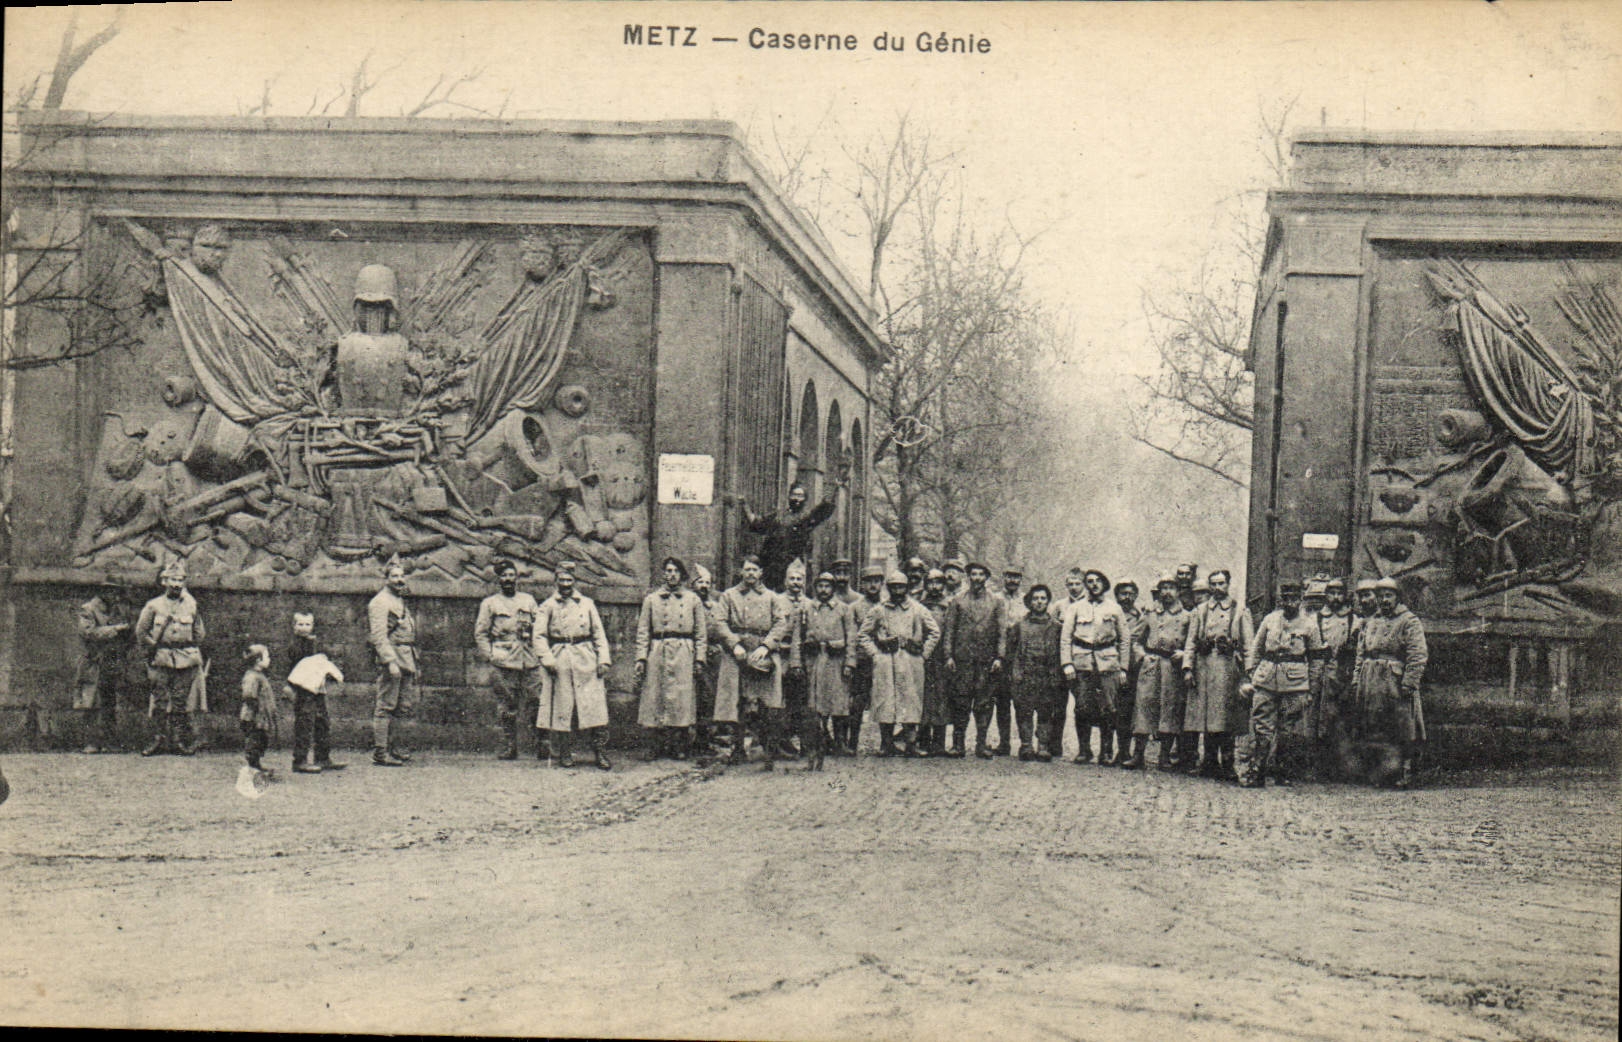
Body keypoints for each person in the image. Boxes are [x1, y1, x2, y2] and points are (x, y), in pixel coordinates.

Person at [1235, 579, 1324, 788]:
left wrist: (1310, 688)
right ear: (1281, 600)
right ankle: (1258, 770)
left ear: (1301, 600)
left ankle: (1283, 771)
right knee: (1262, 726)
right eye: (1286, 598)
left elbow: (1316, 659)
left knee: (1288, 729)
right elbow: (1256, 649)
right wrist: (1251, 674)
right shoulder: (1270, 620)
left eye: (1294, 598)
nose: (1290, 602)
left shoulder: (1310, 624)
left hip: (1295, 684)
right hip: (1266, 681)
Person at [712, 555, 794, 770]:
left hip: (762, 655)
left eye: (754, 570)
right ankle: (737, 748)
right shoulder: (729, 596)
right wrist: (734, 644)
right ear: (741, 572)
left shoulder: (772, 597)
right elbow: (719, 622)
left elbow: (780, 623)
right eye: (747, 569)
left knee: (765, 705)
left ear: (760, 573)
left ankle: (768, 749)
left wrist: (766, 646)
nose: (750, 573)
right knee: (736, 703)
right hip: (736, 655)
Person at [1350, 577, 1429, 788]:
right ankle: (1382, 771)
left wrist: (1409, 683)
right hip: (1371, 679)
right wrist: (1357, 679)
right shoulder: (1371, 621)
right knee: (1375, 725)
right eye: (1381, 596)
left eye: (1389, 595)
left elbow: (1418, 655)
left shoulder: (1409, 621)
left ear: (1397, 597)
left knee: (1402, 726)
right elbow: (1361, 653)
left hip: (1395, 680)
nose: (1384, 600)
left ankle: (1404, 772)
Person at [534, 562, 613, 769]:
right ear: (556, 581)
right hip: (561, 660)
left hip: (586, 657)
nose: (566, 584)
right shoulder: (547, 606)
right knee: (564, 707)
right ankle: (565, 753)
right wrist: (548, 659)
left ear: (575, 581)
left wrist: (603, 659)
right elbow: (539, 636)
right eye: (562, 580)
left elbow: (599, 634)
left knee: (595, 708)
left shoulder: (587, 604)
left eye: (570, 580)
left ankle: (600, 753)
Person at [859, 570, 941, 757]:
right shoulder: (879, 610)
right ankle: (886, 743)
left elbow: (934, 632)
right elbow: (863, 635)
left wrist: (923, 655)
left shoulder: (918, 609)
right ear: (888, 588)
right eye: (894, 586)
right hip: (886, 661)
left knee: (911, 700)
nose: (897, 590)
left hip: (911, 662)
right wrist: (875, 655)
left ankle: (911, 743)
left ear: (906, 588)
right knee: (885, 701)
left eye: (901, 586)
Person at [1182, 569, 1254, 778]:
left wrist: (1248, 673)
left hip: (1227, 668)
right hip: (1204, 668)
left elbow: (1248, 645)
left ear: (1228, 584)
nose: (1217, 588)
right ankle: (1209, 761)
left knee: (1226, 718)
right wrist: (1188, 668)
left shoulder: (1239, 611)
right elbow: (1190, 642)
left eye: (1221, 583)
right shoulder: (1200, 610)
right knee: (1206, 717)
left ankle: (1228, 763)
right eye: (1213, 584)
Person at [635, 557, 707, 761]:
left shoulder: (693, 599)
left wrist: (699, 659)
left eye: (675, 571)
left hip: (684, 651)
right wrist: (641, 657)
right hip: (658, 649)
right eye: (668, 570)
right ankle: (654, 746)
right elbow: (643, 631)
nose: (672, 574)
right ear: (663, 574)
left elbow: (701, 633)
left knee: (681, 699)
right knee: (655, 696)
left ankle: (679, 745)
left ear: (681, 574)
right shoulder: (652, 599)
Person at [135, 559, 207, 757]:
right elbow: (141, 632)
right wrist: (152, 649)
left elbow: (199, 632)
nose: (176, 584)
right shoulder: (154, 605)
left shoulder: (192, 605)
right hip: (161, 658)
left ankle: (178, 741)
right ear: (164, 581)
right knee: (159, 701)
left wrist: (187, 646)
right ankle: (157, 740)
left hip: (185, 659)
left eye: (180, 580)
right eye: (172, 580)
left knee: (180, 701)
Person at [1058, 568, 1128, 766]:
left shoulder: (1114, 608)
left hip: (1107, 663)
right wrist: (1067, 664)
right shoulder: (1076, 608)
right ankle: (1084, 750)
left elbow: (1124, 640)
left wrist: (1123, 668)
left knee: (1108, 707)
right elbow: (1066, 638)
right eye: (1089, 581)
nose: (1094, 584)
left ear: (1104, 584)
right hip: (1082, 664)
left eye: (1098, 581)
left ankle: (1106, 751)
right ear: (1085, 585)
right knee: (1082, 707)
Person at [475, 560, 543, 761]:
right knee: (507, 705)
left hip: (529, 659)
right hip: (504, 661)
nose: (508, 579)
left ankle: (542, 745)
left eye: (511, 575)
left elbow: (539, 628)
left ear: (516, 578)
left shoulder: (528, 600)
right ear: (498, 579)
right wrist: (491, 655)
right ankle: (509, 746)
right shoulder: (490, 603)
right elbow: (480, 634)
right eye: (504, 576)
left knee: (537, 702)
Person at [733, 477, 845, 591]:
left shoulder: (806, 517)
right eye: (794, 494)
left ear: (805, 499)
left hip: (790, 565)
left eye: (801, 496)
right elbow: (757, 524)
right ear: (789, 496)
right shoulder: (778, 515)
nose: (797, 498)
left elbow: (823, 509)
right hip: (769, 564)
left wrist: (834, 489)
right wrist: (744, 505)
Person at [945, 562, 1008, 759]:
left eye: (981, 574)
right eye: (974, 574)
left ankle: (981, 744)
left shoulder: (996, 602)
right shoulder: (957, 601)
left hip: (986, 661)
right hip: (963, 659)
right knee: (961, 701)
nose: (977, 578)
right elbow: (949, 631)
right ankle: (958, 744)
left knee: (984, 703)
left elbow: (1001, 632)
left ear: (986, 578)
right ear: (968, 577)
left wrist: (999, 657)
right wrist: (948, 655)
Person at [1126, 576, 1189, 770]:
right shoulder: (1150, 614)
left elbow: (1192, 643)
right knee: (1144, 706)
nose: (1166, 592)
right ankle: (1138, 754)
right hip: (1151, 664)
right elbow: (1135, 639)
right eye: (1163, 588)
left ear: (1179, 591)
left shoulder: (1187, 616)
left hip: (1172, 667)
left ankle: (1164, 756)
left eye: (1171, 588)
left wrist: (1184, 654)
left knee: (1170, 709)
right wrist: (1142, 655)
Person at [799, 571, 856, 771]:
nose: (824, 590)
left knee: (838, 703)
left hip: (836, 661)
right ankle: (814, 746)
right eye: (820, 586)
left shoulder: (844, 610)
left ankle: (839, 742)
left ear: (833, 588)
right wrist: (798, 663)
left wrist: (850, 663)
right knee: (815, 706)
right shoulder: (807, 608)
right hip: (814, 661)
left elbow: (851, 638)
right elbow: (799, 637)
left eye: (827, 586)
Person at [367, 559, 419, 767]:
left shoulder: (399, 600)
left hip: (407, 658)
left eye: (401, 576)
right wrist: (390, 662)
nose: (399, 580)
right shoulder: (380, 602)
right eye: (394, 576)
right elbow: (379, 636)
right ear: (386, 579)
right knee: (386, 705)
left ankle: (395, 748)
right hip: (393, 659)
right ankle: (381, 752)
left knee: (403, 706)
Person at [1007, 584, 1063, 762]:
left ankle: (1043, 746)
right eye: (1035, 599)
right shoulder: (1020, 626)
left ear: (1048, 601)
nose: (1039, 602)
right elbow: (1011, 651)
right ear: (1029, 602)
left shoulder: (1056, 627)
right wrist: (1015, 672)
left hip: (1047, 674)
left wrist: (1056, 675)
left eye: (1043, 599)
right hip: (1026, 673)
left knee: (1046, 710)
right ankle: (1026, 745)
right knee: (1024, 710)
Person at [286, 611, 346, 773]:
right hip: (303, 689)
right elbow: (298, 666)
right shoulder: (295, 645)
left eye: (308, 624)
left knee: (322, 721)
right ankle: (300, 760)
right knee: (304, 723)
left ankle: (323, 757)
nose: (304, 628)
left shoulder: (315, 643)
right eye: (300, 624)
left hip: (317, 688)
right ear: (294, 626)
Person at [1311, 577, 1358, 777]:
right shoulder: (1317, 618)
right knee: (1317, 719)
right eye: (1332, 593)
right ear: (1326, 595)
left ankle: (1340, 768)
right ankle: (1317, 765)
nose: (1336, 597)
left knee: (1340, 720)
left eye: (1339, 593)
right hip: (1321, 674)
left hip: (1341, 674)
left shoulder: (1353, 620)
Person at [75, 587, 131, 754]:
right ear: (103, 592)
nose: (115, 596)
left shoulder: (117, 609)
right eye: (112, 592)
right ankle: (90, 741)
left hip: (111, 661)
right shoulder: (88, 609)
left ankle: (109, 741)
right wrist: (116, 630)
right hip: (93, 661)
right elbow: (88, 632)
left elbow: (128, 631)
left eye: (117, 593)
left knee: (109, 701)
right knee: (91, 702)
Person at [841, 565, 885, 755]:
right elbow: (851, 636)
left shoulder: (887, 605)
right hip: (862, 661)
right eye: (869, 581)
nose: (873, 585)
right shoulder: (855, 607)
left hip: (884, 660)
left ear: (882, 584)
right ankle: (852, 742)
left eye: (876, 581)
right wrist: (851, 661)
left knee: (884, 701)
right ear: (863, 584)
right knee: (857, 703)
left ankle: (886, 743)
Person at [778, 559, 814, 758]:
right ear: (785, 582)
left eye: (799, 579)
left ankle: (800, 740)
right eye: (791, 579)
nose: (795, 582)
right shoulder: (777, 601)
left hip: (802, 658)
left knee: (799, 700)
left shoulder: (809, 604)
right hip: (781, 656)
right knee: (780, 700)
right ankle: (779, 742)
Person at [918, 569, 953, 757]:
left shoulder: (949, 605)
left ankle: (939, 742)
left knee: (942, 697)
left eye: (938, 583)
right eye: (930, 583)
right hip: (924, 656)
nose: (934, 587)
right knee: (924, 697)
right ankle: (923, 739)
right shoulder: (920, 605)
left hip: (942, 658)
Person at [1113, 580, 1145, 768]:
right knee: (1115, 711)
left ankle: (1134, 752)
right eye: (1123, 593)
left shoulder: (1141, 616)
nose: (1127, 597)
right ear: (1117, 595)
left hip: (1134, 669)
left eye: (1131, 593)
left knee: (1132, 710)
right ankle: (1118, 750)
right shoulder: (1110, 614)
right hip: (1111, 666)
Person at [691, 564, 723, 758]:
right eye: (700, 582)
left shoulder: (716, 605)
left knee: (708, 696)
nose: (704, 586)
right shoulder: (688, 603)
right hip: (691, 653)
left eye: (707, 583)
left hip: (713, 654)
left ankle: (706, 738)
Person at [996, 566, 1025, 753]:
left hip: (1020, 656)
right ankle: (1004, 742)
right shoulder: (995, 598)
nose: (1012, 580)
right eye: (1009, 576)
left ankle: (1025, 743)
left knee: (1021, 701)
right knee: (1002, 700)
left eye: (1016, 577)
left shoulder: (1026, 601)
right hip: (1000, 655)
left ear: (1021, 579)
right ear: (1003, 577)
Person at [239, 645, 278, 776]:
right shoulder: (252, 677)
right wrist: (257, 711)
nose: (270, 659)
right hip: (254, 717)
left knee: (261, 740)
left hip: (261, 717)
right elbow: (249, 695)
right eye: (267, 656)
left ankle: (257, 765)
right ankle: (252, 768)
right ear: (258, 660)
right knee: (254, 741)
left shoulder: (260, 675)